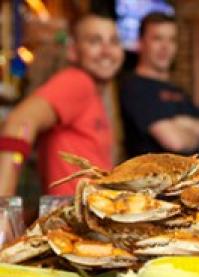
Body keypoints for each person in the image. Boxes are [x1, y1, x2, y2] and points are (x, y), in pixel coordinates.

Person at [0, 12, 124, 196]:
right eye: (94, 41)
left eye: (113, 41)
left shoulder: (97, 94)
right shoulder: (77, 82)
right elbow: (19, 123)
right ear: (73, 50)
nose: (107, 51)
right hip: (74, 220)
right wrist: (3, 204)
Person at [120, 12, 199, 157]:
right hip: (155, 177)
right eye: (157, 39)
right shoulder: (135, 87)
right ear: (140, 43)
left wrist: (186, 123)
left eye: (172, 40)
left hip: (191, 176)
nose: (165, 47)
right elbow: (175, 142)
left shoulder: (177, 90)